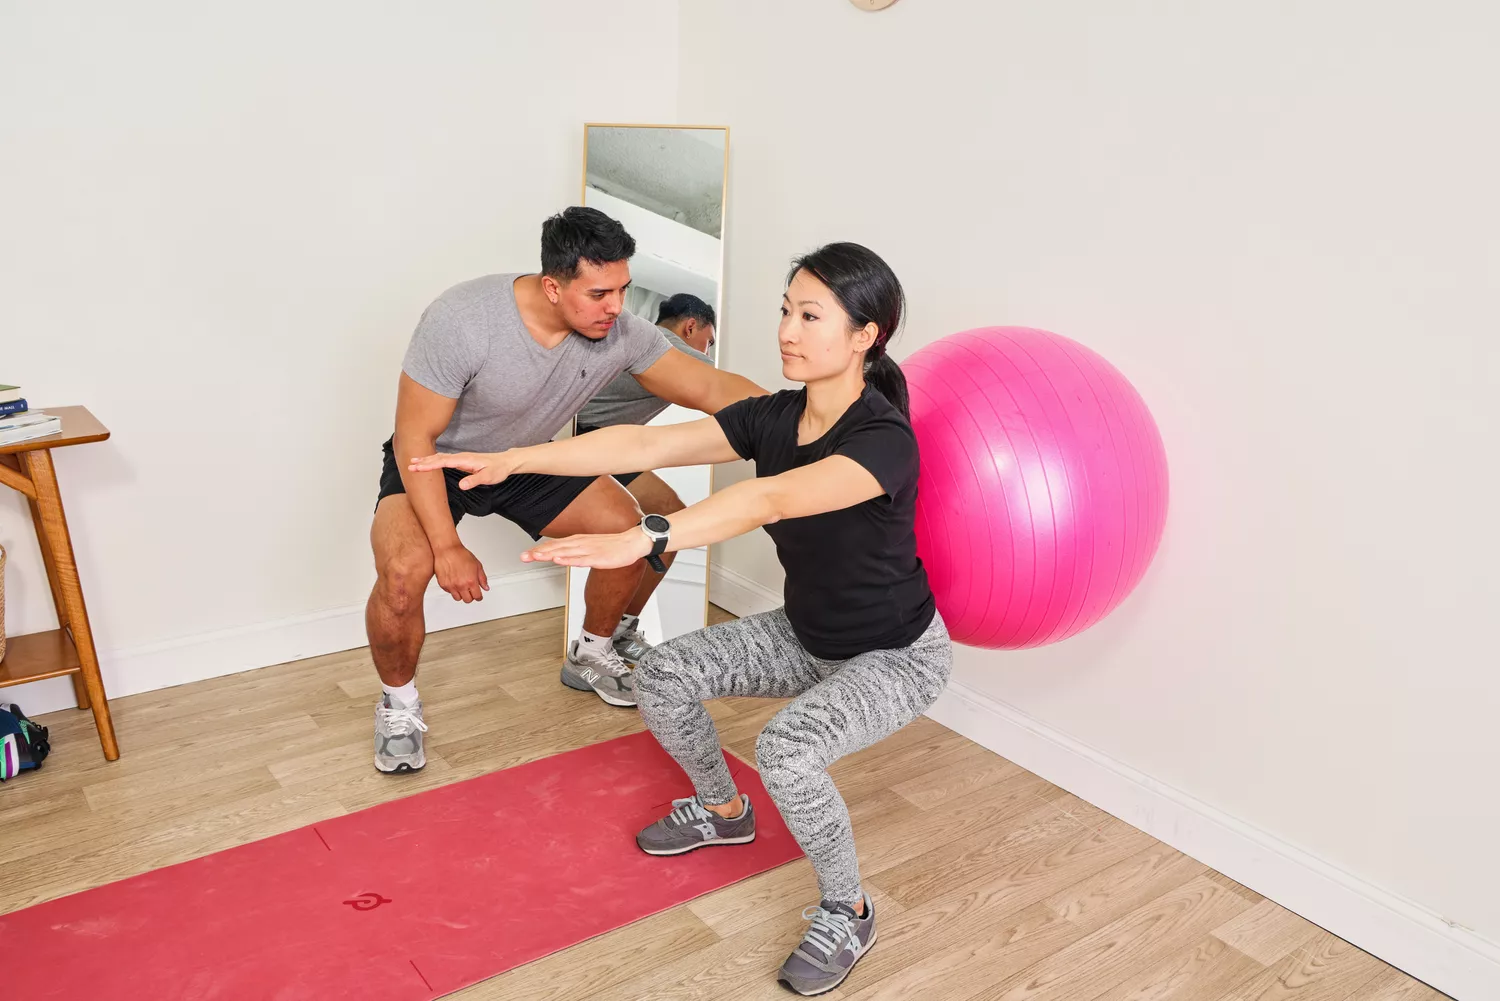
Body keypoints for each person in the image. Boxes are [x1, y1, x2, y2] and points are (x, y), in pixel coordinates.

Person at [409, 242, 952, 996]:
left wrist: (648, 534)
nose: (788, 331)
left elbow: (769, 500)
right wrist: (518, 458)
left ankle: (849, 908)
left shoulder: (883, 439)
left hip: (894, 654)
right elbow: (643, 441)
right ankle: (726, 809)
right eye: (786, 311)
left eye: (811, 315)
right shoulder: (773, 416)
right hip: (806, 633)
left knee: (788, 749)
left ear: (866, 336)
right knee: (662, 671)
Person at [368, 206, 765, 775]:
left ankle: (592, 652)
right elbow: (415, 438)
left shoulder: (619, 333)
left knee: (635, 533)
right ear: (552, 286)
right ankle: (398, 704)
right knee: (405, 573)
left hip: (527, 456)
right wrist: (447, 547)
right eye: (600, 293)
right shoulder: (463, 319)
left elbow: (708, 383)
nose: (616, 308)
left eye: (623, 290)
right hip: (439, 460)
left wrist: (801, 415)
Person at [572, 292, 718, 662]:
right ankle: (601, 640)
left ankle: (618, 630)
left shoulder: (638, 342)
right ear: (690, 327)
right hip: (588, 438)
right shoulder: (668, 347)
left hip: (609, 442)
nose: (708, 351)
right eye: (709, 341)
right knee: (663, 520)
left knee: (666, 520)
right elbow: (719, 387)